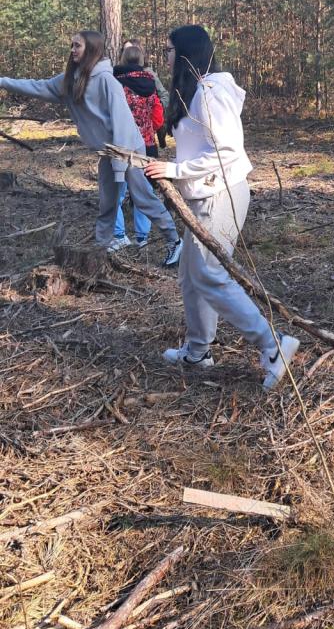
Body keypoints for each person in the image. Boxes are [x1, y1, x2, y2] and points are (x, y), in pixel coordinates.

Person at [144, 24, 300, 390]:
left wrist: (175, 170)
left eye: (169, 50)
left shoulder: (211, 92)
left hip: (220, 195)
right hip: (204, 195)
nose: (165, 56)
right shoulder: (197, 90)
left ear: (186, 53)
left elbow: (227, 150)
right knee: (191, 275)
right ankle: (198, 351)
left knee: (210, 275)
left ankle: (274, 345)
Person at [0, 30, 182, 265]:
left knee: (143, 198)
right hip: (108, 151)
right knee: (108, 202)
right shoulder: (71, 79)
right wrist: (3, 81)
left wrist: (120, 168)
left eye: (77, 45)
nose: (72, 50)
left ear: (92, 49)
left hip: (128, 150)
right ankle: (101, 249)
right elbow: (38, 86)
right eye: (72, 45)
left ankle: (174, 241)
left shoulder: (107, 80)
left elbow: (123, 124)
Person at [110, 45, 166, 251]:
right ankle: (143, 237)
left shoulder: (116, 83)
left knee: (116, 192)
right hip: (146, 145)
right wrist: (149, 128)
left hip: (121, 144)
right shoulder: (151, 83)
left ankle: (118, 235)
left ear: (123, 60)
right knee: (143, 192)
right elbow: (158, 117)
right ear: (142, 60)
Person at [122, 38, 169, 147]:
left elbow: (164, 96)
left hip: (146, 137)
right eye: (124, 50)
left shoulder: (148, 73)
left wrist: (152, 112)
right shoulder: (120, 75)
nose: (128, 53)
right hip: (125, 136)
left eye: (131, 50)